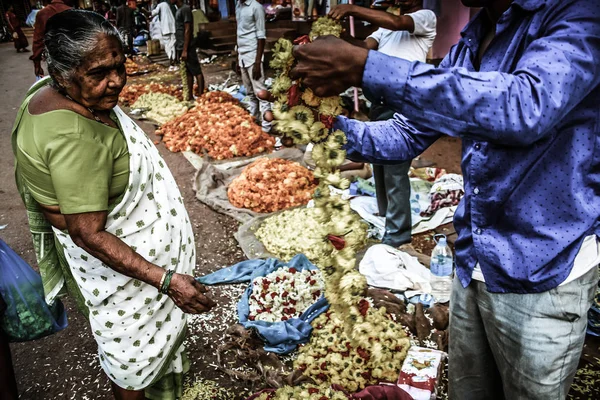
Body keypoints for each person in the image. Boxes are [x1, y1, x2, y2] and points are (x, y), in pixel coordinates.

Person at [281, 0, 600, 398]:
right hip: (474, 259)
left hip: (544, 268)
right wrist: (322, 126)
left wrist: (367, 68)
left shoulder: (578, 15)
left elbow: (523, 106)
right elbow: (404, 134)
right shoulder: (472, 40)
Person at [11, 10, 215, 400]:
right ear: (61, 72)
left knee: (133, 349)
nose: (117, 81)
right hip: (122, 277)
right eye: (100, 73)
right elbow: (88, 232)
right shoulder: (75, 137)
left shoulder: (50, 94)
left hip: (123, 263)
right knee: (130, 357)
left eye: (120, 66)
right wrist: (167, 281)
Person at [330, 0, 436, 247]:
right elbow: (363, 48)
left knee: (395, 171)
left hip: (402, 104)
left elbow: (398, 21)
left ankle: (398, 234)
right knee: (378, 162)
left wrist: (352, 9)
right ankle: (385, 216)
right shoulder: (383, 29)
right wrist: (338, 35)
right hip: (378, 103)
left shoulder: (424, 17)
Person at [236, 0, 271, 132]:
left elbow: (261, 37)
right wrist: (237, 58)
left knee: (261, 93)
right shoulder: (238, 6)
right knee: (250, 93)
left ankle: (266, 127)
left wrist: (257, 62)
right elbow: (239, 33)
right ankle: (254, 121)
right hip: (242, 55)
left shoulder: (256, 7)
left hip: (252, 55)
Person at [171, 0, 205, 99]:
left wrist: (185, 49)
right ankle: (189, 95)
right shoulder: (179, 10)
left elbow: (188, 29)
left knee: (196, 71)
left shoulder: (185, 9)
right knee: (187, 71)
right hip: (181, 45)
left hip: (187, 46)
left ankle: (201, 95)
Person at [30, 0, 72, 77]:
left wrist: (37, 64)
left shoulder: (43, 13)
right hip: (73, 56)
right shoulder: (72, 11)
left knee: (59, 81)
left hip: (54, 58)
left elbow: (38, 41)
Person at [151, 0, 177, 68]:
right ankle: (173, 59)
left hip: (165, 29)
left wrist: (143, 11)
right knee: (173, 45)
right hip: (173, 28)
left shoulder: (161, 5)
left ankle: (171, 60)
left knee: (167, 45)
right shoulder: (173, 5)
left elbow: (152, 13)